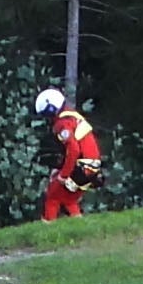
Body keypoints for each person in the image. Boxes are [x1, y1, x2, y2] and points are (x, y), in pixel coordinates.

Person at [35, 85, 102, 222]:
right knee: (69, 199)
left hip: (83, 166)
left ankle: (48, 227)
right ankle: (78, 226)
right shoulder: (71, 115)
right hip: (92, 166)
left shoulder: (62, 124)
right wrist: (60, 169)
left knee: (53, 195)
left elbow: (74, 150)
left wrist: (63, 175)